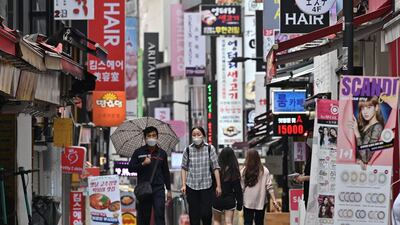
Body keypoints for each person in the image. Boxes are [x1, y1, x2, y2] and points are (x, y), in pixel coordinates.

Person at [128, 126, 172, 225]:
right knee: (144, 217)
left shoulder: (162, 153)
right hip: (144, 189)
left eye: (154, 135)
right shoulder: (138, 152)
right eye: (149, 136)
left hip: (158, 188)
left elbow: (166, 172)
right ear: (145, 138)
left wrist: (168, 190)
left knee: (159, 213)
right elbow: (130, 168)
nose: (151, 138)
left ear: (157, 137)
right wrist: (143, 164)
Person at [181, 127, 222, 225]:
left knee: (206, 214)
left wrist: (219, 186)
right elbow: (183, 168)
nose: (196, 137)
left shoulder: (209, 148)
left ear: (203, 135)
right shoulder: (187, 150)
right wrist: (183, 184)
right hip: (191, 186)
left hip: (206, 186)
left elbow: (215, 168)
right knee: (194, 216)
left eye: (198, 134)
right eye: (194, 135)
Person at [241, 150, 280, 225]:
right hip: (260, 201)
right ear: (258, 158)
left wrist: (238, 199)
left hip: (247, 201)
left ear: (248, 158)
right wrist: (274, 200)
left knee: (247, 222)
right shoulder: (264, 170)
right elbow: (270, 187)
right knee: (259, 222)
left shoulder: (244, 171)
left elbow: (241, 187)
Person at [212, 147, 243, 225]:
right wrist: (240, 203)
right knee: (229, 222)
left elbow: (212, 185)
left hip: (217, 198)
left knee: (216, 221)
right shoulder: (234, 171)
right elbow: (237, 189)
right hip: (229, 199)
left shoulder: (216, 170)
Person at [351, 96, 384, 164]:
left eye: (369, 107)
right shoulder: (362, 125)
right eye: (362, 108)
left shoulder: (377, 127)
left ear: (376, 107)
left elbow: (366, 158)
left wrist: (357, 133)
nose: (365, 112)